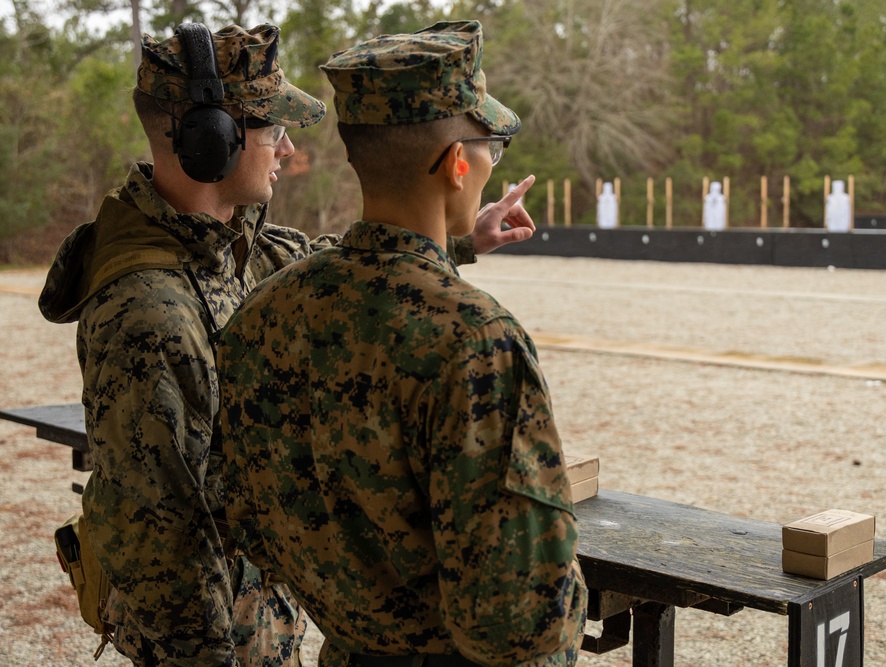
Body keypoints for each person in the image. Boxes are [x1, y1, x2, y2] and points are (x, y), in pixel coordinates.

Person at [38, 21, 535, 667]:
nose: (287, 147)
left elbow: (331, 268)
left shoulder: (233, 243)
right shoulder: (150, 311)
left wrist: (462, 237)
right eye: (273, 129)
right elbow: (157, 531)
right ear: (211, 142)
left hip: (259, 610)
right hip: (215, 632)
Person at [216, 19, 588, 667]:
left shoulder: (265, 311)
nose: (492, 166)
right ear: (457, 163)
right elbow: (520, 618)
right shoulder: (477, 340)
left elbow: (243, 516)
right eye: (491, 152)